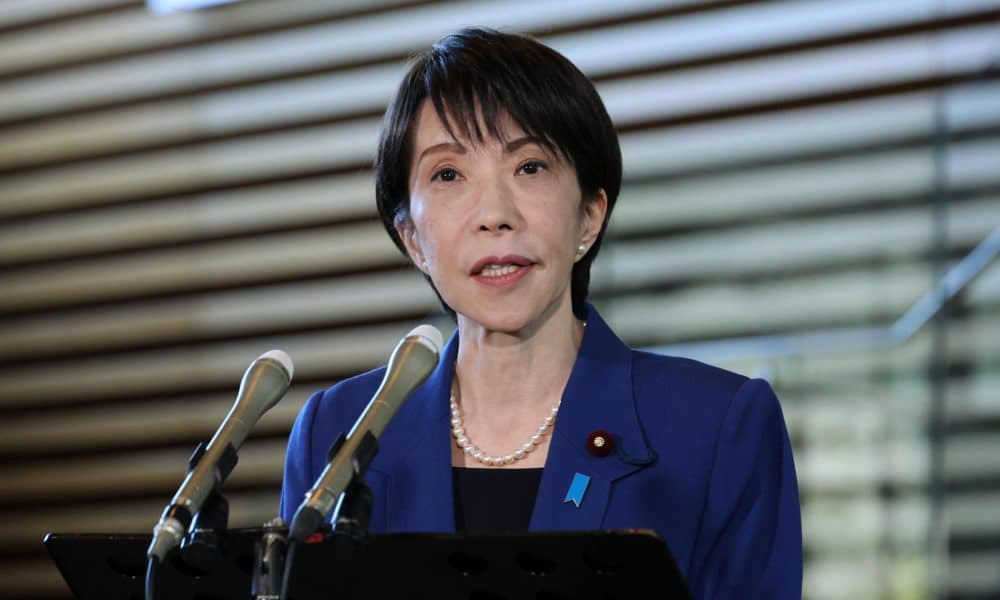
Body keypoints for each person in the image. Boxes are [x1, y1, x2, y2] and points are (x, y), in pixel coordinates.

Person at [280, 27, 802, 598]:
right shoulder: (339, 437)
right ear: (411, 238)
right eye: (448, 174)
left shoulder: (717, 426)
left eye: (529, 166)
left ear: (589, 216)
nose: (495, 214)